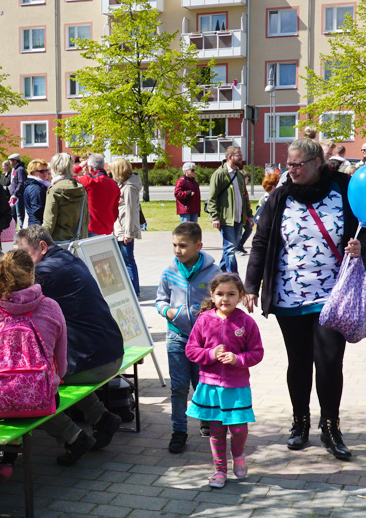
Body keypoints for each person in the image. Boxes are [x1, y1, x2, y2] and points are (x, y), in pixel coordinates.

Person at [245, 136, 366, 460]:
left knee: (329, 362)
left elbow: (363, 229)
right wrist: (251, 286)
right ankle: (300, 423)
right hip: (289, 296)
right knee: (298, 362)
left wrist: (360, 248)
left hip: (333, 296)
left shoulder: (343, 189)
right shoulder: (280, 196)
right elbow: (261, 242)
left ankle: (331, 427)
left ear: (317, 164)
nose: (291, 170)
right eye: (289, 164)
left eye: (297, 165)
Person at [14, 226, 124, 465]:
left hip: (93, 360)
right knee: (56, 371)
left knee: (30, 386)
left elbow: (12, 301)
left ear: (42, 248)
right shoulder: (68, 258)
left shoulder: (45, 271)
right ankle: (101, 417)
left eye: (24, 255)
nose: (21, 264)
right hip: (111, 351)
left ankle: (72, 437)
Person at [0, 250, 66, 456]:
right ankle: (10, 457)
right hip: (44, 398)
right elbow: (63, 367)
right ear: (31, 274)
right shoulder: (51, 307)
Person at [185, 274, 264, 488]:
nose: (225, 299)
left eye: (231, 294)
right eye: (220, 294)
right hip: (210, 386)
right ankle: (219, 470)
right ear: (212, 295)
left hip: (237, 386)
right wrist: (209, 354)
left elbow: (257, 353)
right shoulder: (203, 320)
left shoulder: (246, 321)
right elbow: (191, 350)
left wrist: (238, 359)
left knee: (239, 428)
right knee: (217, 431)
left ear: (240, 296)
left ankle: (238, 456)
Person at [155, 221, 221, 453]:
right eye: (174, 245)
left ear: (199, 246)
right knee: (179, 387)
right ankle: (179, 431)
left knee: (202, 384)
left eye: (183, 245)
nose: (177, 250)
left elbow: (222, 301)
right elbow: (160, 299)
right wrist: (168, 312)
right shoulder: (169, 272)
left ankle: (206, 420)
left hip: (204, 341)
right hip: (177, 336)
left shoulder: (214, 273)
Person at [206, 146, 251, 274]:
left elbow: (244, 198)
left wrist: (249, 216)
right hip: (226, 219)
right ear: (230, 157)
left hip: (238, 218)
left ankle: (220, 273)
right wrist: (215, 216)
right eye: (238, 155)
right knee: (230, 248)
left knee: (229, 248)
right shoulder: (219, 174)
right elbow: (212, 198)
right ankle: (233, 276)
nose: (241, 158)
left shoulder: (239, 175)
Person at [109, 157, 142, 295]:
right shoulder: (126, 185)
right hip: (122, 228)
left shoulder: (128, 187)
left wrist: (127, 233)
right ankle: (133, 290)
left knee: (128, 260)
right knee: (126, 260)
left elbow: (129, 210)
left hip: (124, 230)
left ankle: (134, 292)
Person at [42, 152, 89, 242]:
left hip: (59, 241)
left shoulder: (54, 190)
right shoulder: (80, 187)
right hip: (79, 240)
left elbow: (49, 223)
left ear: (54, 168)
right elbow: (85, 218)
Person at [78, 154, 120, 237]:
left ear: (90, 168)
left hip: (91, 228)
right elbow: (115, 211)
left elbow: (67, 179)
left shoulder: (89, 181)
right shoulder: (114, 184)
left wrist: (79, 167)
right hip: (108, 229)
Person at [23, 159, 51, 226]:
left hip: (36, 224)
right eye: (41, 171)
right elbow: (38, 210)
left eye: (46, 171)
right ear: (33, 173)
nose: (45, 174)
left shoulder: (38, 186)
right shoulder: (35, 188)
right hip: (37, 226)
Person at [7, 153, 28, 228]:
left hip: (18, 195)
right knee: (13, 213)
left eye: (11, 160)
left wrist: (15, 193)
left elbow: (21, 182)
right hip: (13, 195)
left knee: (19, 213)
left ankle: (21, 229)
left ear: (15, 161)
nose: (10, 162)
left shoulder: (20, 170)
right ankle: (14, 228)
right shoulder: (15, 169)